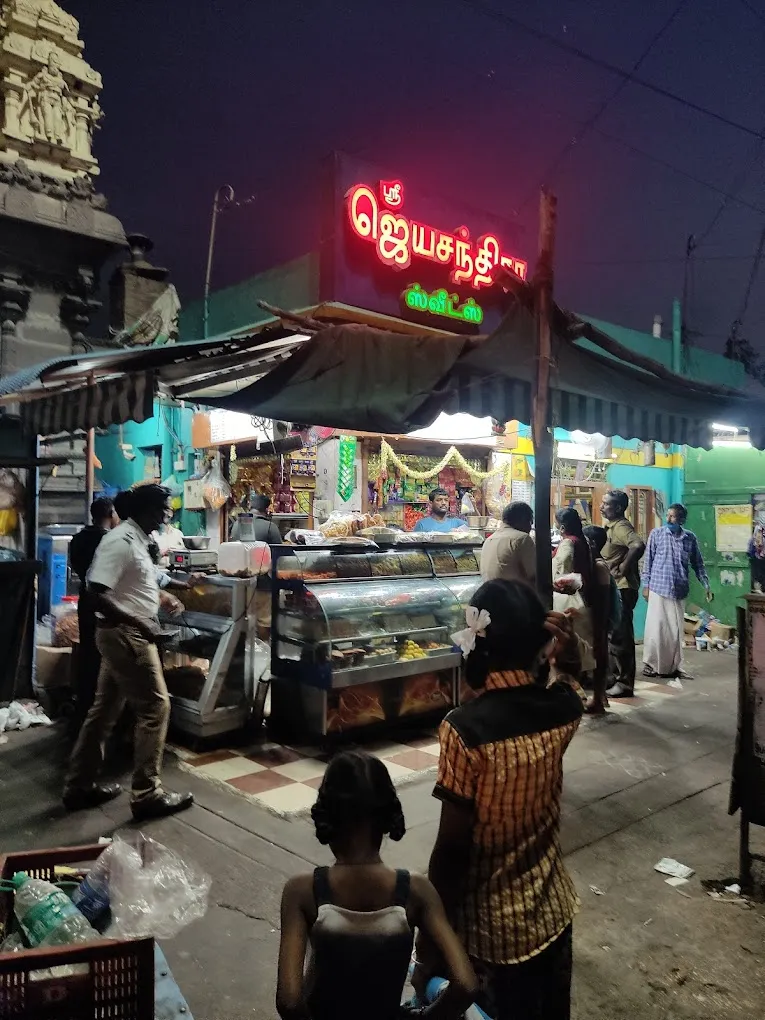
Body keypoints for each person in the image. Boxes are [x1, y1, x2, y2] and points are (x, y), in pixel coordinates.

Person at [421, 580, 584, 1020]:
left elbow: (451, 851)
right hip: (554, 912)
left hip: (489, 934)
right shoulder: (564, 710)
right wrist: (566, 654)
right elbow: (571, 679)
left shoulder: (463, 731)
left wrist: (430, 943)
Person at [276, 750, 476, 1020]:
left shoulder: (303, 891)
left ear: (327, 818)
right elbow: (466, 984)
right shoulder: (416, 890)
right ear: (385, 818)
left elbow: (289, 1002)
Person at [63, 484, 194, 821]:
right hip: (127, 635)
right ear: (148, 510)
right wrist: (141, 621)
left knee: (104, 710)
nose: (166, 516)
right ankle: (147, 793)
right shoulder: (120, 541)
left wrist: (173, 589)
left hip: (123, 633)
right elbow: (97, 592)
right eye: (163, 510)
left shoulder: (137, 538)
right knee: (155, 707)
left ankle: (79, 786)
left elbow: (142, 578)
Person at [642, 503, 713, 680]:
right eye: (667, 515)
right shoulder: (656, 534)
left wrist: (706, 585)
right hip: (658, 588)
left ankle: (673, 667)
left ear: (682, 519)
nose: (668, 519)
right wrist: (646, 585)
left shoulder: (690, 538)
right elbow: (647, 561)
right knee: (656, 629)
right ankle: (651, 665)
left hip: (679, 590)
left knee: (674, 631)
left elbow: (698, 564)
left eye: (672, 516)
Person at [68, 497, 120, 727]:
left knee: (88, 650)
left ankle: (84, 704)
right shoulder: (109, 541)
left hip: (85, 601)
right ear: (110, 514)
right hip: (105, 603)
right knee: (104, 655)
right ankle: (101, 711)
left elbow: (77, 567)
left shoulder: (77, 539)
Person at [600, 490, 646, 698]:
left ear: (618, 508)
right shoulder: (611, 527)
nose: (602, 507)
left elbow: (637, 545)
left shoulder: (621, 526)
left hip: (623, 587)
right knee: (613, 635)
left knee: (621, 636)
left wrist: (624, 567)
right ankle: (614, 677)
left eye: (606, 504)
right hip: (615, 586)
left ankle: (625, 683)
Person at [231, 492, 283, 639]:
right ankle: (262, 653)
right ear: (266, 510)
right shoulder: (270, 527)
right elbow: (280, 555)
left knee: (242, 620)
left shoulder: (237, 524)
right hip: (263, 584)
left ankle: (244, 656)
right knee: (264, 622)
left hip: (239, 583)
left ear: (251, 507)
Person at [582, 525, 622, 715]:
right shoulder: (594, 563)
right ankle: (600, 697)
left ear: (592, 543)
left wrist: (601, 624)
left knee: (600, 654)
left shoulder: (599, 565)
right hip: (600, 617)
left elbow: (605, 599)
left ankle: (599, 698)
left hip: (602, 618)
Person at [552, 507, 596, 673]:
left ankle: (569, 675)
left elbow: (562, 571)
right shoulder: (582, 540)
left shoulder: (568, 543)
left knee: (569, 638)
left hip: (569, 597)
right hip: (582, 597)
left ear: (562, 527)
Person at [479, 501, 536, 586]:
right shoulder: (522, 538)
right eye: (530, 521)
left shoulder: (489, 539)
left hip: (492, 595)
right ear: (523, 520)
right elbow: (534, 574)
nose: (530, 526)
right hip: (515, 597)